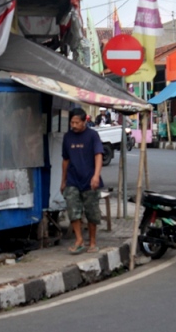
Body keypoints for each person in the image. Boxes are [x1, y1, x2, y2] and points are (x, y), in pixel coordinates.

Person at [61, 107, 104, 255]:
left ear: (84, 121)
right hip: (73, 179)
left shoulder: (93, 136)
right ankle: (79, 239)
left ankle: (92, 242)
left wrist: (96, 175)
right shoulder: (67, 137)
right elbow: (65, 160)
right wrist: (63, 180)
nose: (73, 125)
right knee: (73, 209)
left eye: (76, 122)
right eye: (72, 122)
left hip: (89, 179)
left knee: (92, 212)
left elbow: (98, 155)